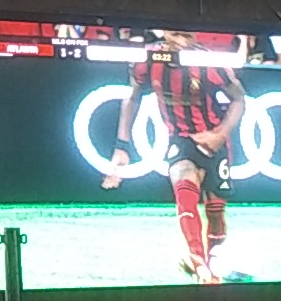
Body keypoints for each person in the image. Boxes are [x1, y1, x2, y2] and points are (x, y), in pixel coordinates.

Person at [103, 31, 246, 284]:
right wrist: (121, 145)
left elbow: (239, 99)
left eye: (186, 34)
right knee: (184, 187)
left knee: (215, 211)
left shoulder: (209, 62)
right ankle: (198, 262)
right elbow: (132, 98)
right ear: (165, 32)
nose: (181, 39)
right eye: (175, 33)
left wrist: (220, 134)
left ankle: (213, 260)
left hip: (213, 140)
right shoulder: (146, 59)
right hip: (180, 139)